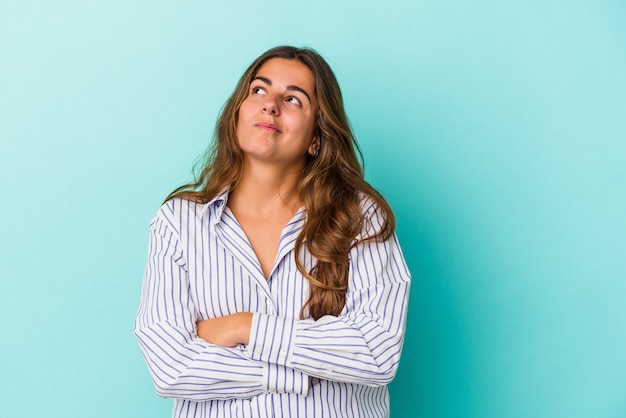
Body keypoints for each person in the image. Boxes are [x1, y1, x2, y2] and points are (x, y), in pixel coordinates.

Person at [134, 45, 411, 418]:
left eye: (293, 99)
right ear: (237, 114)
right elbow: (170, 369)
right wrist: (298, 374)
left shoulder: (361, 218)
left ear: (317, 137)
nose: (271, 105)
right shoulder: (178, 223)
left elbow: (376, 354)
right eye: (259, 90)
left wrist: (244, 326)